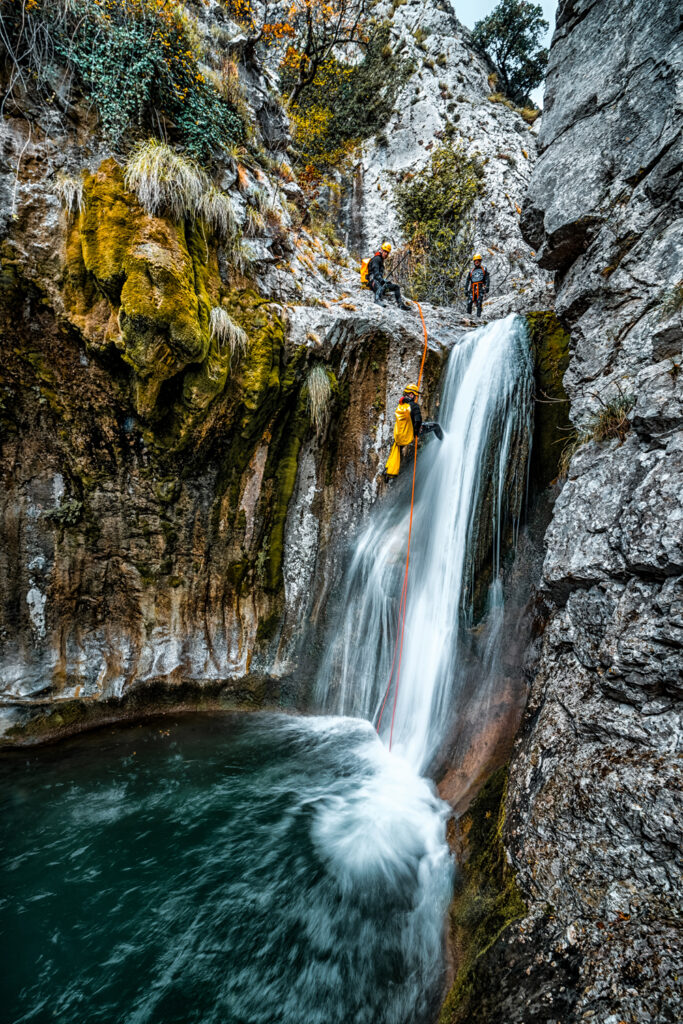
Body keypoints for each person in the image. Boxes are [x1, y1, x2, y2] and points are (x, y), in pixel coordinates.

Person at [384, 384, 443, 477]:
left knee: (397, 451)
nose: (416, 397)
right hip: (410, 433)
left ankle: (388, 471)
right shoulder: (414, 406)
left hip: (400, 435)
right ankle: (444, 442)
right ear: (411, 395)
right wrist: (416, 432)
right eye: (416, 395)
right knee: (436, 426)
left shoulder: (401, 404)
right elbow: (418, 421)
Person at [366, 243, 411, 310]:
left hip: (378, 281)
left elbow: (379, 275)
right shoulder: (376, 259)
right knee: (378, 285)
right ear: (381, 250)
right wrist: (381, 280)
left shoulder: (381, 260)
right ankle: (377, 300)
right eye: (385, 251)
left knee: (396, 287)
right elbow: (376, 273)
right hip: (372, 282)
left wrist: (384, 281)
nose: (386, 254)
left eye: (387, 252)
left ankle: (400, 304)